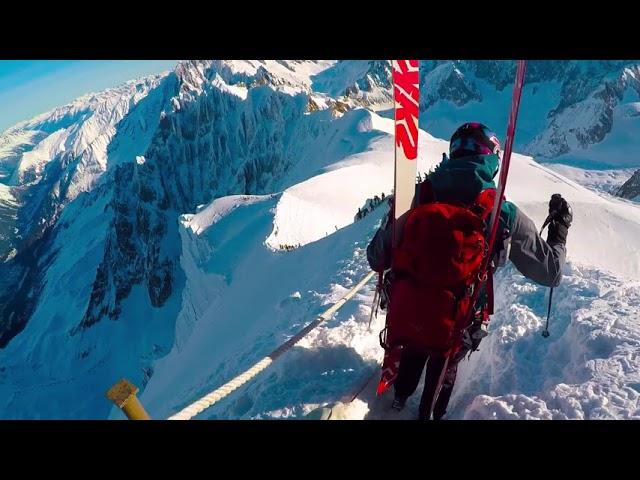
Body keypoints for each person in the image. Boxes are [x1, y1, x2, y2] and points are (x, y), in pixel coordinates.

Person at [367, 122, 572, 420]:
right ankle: (430, 412)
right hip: (458, 322)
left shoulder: (417, 195)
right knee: (444, 354)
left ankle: (398, 398)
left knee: (417, 333)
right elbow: (550, 272)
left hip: (408, 313)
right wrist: (560, 229)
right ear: (492, 159)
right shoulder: (501, 211)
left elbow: (376, 257)